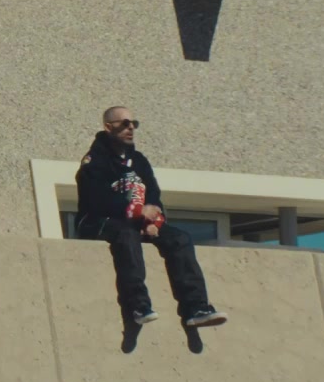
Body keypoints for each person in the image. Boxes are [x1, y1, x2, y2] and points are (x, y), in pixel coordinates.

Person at [74, 106, 226, 351]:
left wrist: (153, 221)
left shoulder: (139, 161)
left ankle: (195, 308)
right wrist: (136, 213)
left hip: (135, 221)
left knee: (179, 238)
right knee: (126, 236)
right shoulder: (94, 160)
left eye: (133, 123)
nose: (130, 128)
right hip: (98, 221)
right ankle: (138, 306)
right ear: (108, 127)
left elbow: (153, 194)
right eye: (124, 123)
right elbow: (96, 200)